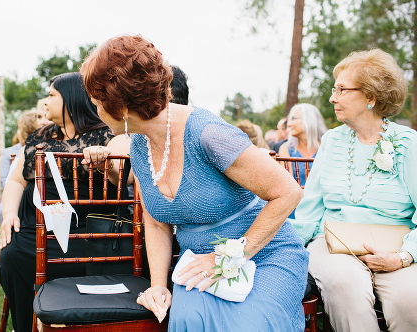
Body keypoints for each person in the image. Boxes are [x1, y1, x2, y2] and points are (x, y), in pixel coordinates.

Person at [80, 35, 307, 331]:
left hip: (264, 255)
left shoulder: (208, 134)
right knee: (189, 321)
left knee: (249, 325)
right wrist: (158, 286)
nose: (95, 111)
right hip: (199, 265)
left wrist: (232, 256)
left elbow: (288, 192)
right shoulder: (138, 145)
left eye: (97, 103)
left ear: (120, 108)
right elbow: (156, 222)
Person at [292, 49, 417, 332]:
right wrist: (290, 247)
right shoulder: (332, 139)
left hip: (396, 247)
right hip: (335, 245)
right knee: (344, 283)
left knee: (411, 299)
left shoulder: (408, 144)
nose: (333, 98)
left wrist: (403, 257)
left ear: (371, 97)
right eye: (334, 89)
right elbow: (310, 208)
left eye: (342, 89)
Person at [0, 72, 115, 332]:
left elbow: (124, 176)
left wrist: (104, 157)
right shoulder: (40, 137)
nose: (46, 102)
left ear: (71, 99)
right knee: (10, 255)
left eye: (52, 95)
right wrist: (8, 214)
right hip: (35, 230)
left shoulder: (106, 134)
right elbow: (17, 181)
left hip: (87, 234)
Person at [0, 111, 42, 279]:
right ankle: (0, 259)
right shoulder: (12, 152)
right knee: (6, 212)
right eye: (40, 117)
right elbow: (6, 181)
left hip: (38, 198)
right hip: (20, 196)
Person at [277, 103, 326, 185]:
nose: (289, 124)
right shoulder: (286, 149)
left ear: (309, 120)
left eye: (293, 119)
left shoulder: (326, 147)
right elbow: (288, 186)